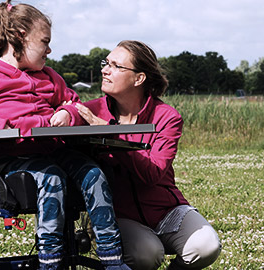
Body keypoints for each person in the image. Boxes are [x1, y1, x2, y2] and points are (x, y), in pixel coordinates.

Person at [0, 2, 130, 269]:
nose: (50, 49)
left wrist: (67, 113)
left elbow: (74, 103)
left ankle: (112, 259)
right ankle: (50, 260)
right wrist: (6, 126)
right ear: (20, 35)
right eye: (45, 41)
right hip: (7, 159)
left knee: (93, 173)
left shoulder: (49, 77)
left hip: (52, 150)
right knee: (50, 177)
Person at [76, 40, 222, 269]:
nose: (105, 70)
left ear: (139, 78)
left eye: (116, 66)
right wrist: (65, 111)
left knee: (206, 246)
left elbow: (152, 174)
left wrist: (111, 137)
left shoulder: (167, 117)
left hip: (166, 209)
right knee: (147, 253)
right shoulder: (92, 110)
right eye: (106, 63)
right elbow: (67, 109)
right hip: (119, 215)